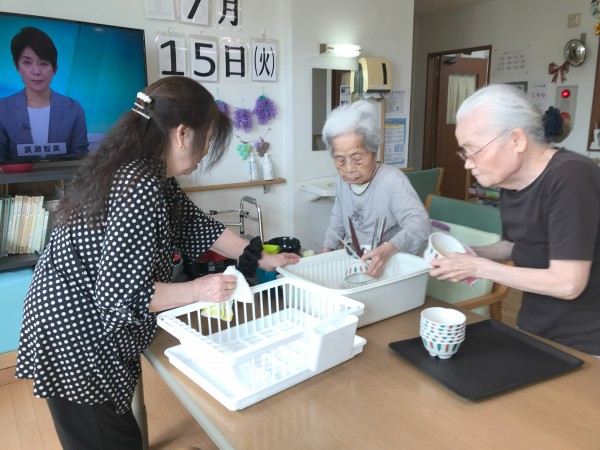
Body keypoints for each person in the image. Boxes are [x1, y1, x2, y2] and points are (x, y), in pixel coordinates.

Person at [15, 76, 300, 450]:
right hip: (77, 337)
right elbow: (122, 296)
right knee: (107, 440)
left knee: (118, 433)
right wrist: (201, 289)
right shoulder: (139, 185)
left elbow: (197, 225)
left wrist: (261, 255)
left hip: (76, 322)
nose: (205, 151)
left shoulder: (147, 170)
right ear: (182, 133)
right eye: (207, 139)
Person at [429, 84, 600, 355]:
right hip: (536, 327)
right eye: (464, 152)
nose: (467, 163)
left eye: (474, 150)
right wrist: (470, 254)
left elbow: (568, 283)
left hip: (586, 343)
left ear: (517, 140)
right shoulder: (511, 181)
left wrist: (478, 267)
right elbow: (517, 245)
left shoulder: (571, 177)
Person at [320, 100, 431, 278]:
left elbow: (420, 224)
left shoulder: (392, 181)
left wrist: (389, 249)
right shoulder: (342, 182)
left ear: (374, 152)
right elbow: (338, 219)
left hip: (391, 270)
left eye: (357, 159)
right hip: (357, 265)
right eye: (340, 160)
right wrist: (326, 250)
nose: (349, 168)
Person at [0, 26, 88, 161]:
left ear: (55, 69)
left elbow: (79, 158)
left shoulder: (74, 109)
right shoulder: (2, 110)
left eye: (43, 63)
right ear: (17, 66)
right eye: (27, 62)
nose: (36, 72)